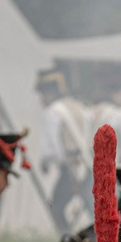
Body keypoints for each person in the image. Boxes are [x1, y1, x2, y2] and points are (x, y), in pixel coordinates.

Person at [36, 68, 99, 229]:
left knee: (56, 207)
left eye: (44, 92)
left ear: (52, 91)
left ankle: (68, 239)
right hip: (88, 164)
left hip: (70, 169)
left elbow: (53, 149)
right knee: (93, 208)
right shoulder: (81, 107)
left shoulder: (52, 112)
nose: (42, 97)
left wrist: (46, 161)